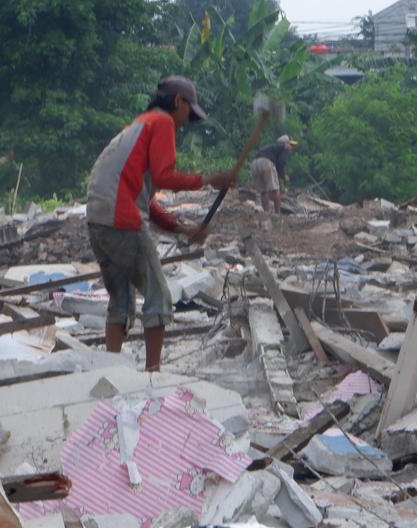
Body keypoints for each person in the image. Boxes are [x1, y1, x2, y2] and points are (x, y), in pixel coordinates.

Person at [86, 76, 232, 371]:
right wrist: (207, 180)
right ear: (178, 102)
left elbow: (144, 199)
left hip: (98, 221)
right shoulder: (162, 122)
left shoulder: (139, 125)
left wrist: (179, 228)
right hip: (121, 221)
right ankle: (154, 373)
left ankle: (109, 371)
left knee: (120, 300)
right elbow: (165, 176)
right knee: (159, 297)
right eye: (186, 116)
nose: (183, 125)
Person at [250, 134, 298, 215]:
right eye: (291, 144)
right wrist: (283, 176)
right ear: (285, 143)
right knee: (275, 190)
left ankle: (266, 213)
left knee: (263, 191)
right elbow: (281, 163)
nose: (291, 148)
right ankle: (277, 214)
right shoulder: (284, 147)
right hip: (266, 163)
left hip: (254, 164)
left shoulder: (272, 147)